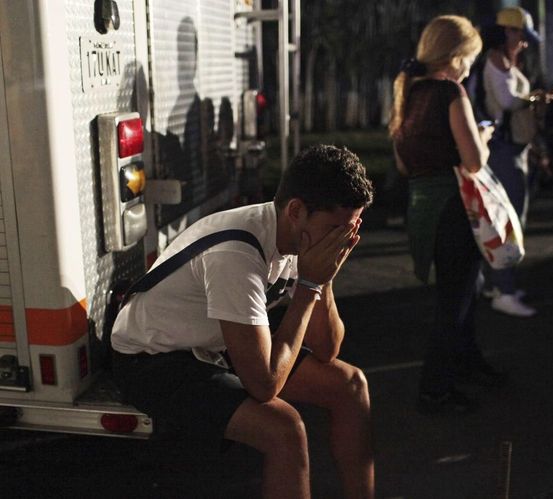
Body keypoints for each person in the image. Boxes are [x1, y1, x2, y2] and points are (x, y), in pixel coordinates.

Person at [111, 145, 375, 499]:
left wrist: (323, 278)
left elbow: (327, 347)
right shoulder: (236, 252)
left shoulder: (300, 235)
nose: (341, 241)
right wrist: (309, 285)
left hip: (212, 342)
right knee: (283, 429)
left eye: (350, 230)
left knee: (351, 385)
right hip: (155, 359)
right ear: (296, 210)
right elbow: (265, 385)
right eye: (335, 229)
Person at [389, 15, 503, 414]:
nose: (470, 66)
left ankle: (467, 363)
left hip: (423, 210)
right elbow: (473, 161)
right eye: (468, 58)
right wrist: (485, 137)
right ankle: (435, 389)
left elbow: (404, 166)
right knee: (455, 301)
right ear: (454, 57)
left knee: (459, 292)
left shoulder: (410, 91)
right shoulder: (450, 93)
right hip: (455, 209)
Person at [480, 6, 550, 318]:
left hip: (512, 147)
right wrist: (534, 99)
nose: (523, 43)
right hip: (504, 149)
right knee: (507, 220)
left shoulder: (504, 60)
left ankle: (497, 283)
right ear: (507, 32)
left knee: (504, 218)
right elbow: (507, 101)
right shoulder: (495, 61)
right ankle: (504, 290)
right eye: (520, 35)